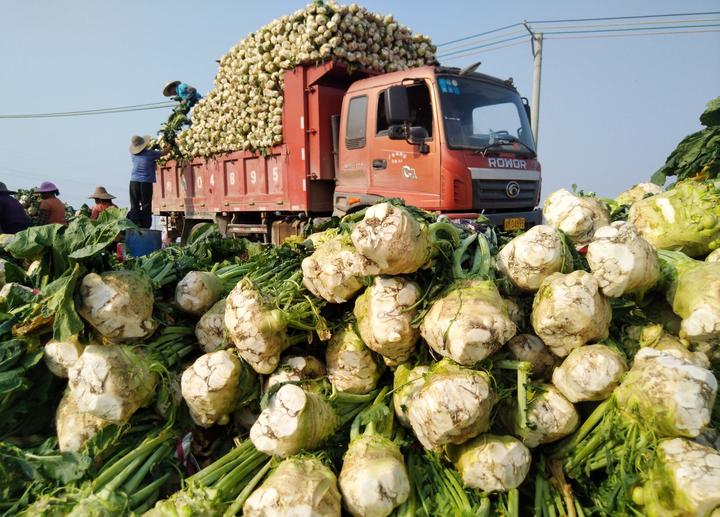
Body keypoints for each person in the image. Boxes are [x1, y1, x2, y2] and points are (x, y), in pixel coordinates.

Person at [128, 135, 169, 229]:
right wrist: (169, 147)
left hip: (134, 182)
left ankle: (135, 223)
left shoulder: (133, 155)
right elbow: (164, 153)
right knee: (146, 204)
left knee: (134, 204)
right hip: (146, 183)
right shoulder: (150, 154)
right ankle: (146, 225)